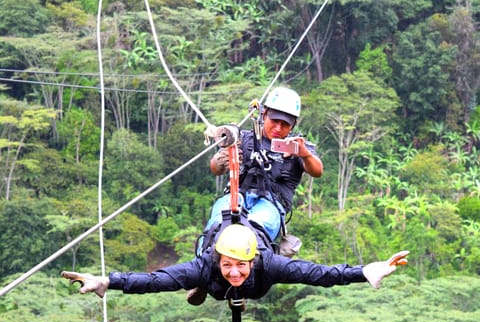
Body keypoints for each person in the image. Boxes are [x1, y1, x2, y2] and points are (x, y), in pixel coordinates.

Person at [62, 223, 408, 305]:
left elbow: (318, 274)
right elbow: (156, 280)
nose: (235, 272)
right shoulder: (205, 265)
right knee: (216, 224)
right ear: (219, 260)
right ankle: (204, 288)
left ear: (252, 260)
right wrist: (108, 280)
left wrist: (366, 272)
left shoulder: (269, 264)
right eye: (229, 266)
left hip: (258, 240)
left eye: (240, 266)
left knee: (269, 216)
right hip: (211, 264)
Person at [205, 86, 323, 257]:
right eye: (274, 121)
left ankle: (252, 264)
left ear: (293, 125)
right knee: (216, 224)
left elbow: (317, 171)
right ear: (264, 114)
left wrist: (304, 154)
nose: (278, 128)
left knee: (256, 227)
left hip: (271, 203)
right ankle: (203, 264)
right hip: (237, 196)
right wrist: (225, 155)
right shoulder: (243, 138)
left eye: (285, 124)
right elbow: (215, 169)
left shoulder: (299, 147)